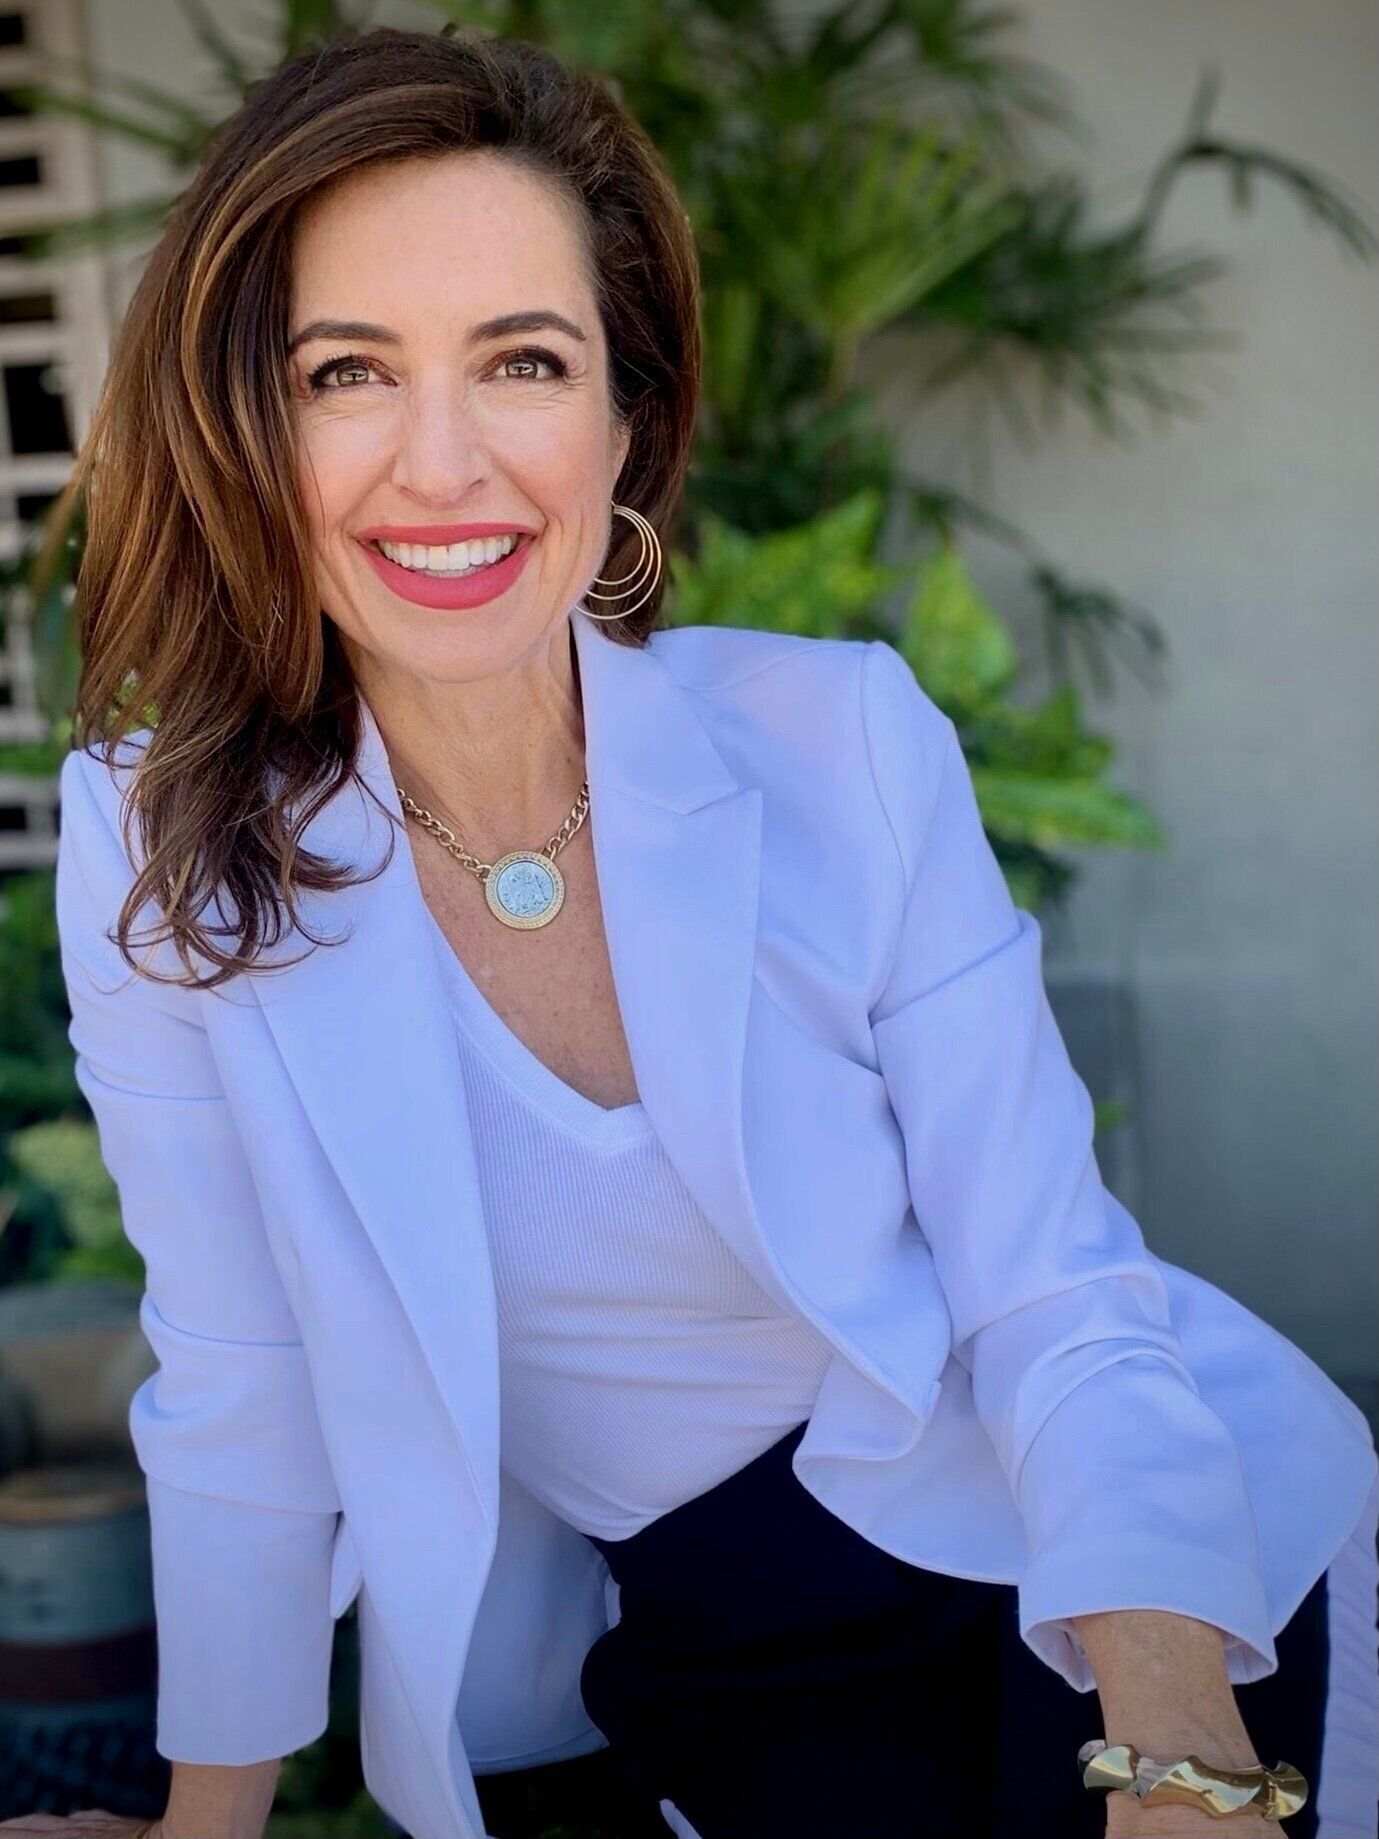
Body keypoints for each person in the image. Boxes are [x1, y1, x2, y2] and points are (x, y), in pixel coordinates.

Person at [20, 24, 1377, 1839]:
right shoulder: (159, 840)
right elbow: (241, 1382)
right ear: (252, 428)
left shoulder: (843, 741)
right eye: (349, 370)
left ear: (626, 416)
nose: (442, 462)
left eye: (523, 360)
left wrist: (1178, 1754)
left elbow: (1051, 1288)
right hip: (727, 1641)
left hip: (1126, 1554)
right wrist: (206, 1827)